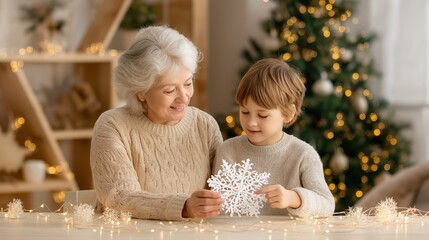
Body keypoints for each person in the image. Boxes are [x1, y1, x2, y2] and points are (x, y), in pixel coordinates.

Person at [90, 25, 223, 221]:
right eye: (170, 90)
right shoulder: (113, 125)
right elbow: (118, 198)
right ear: (141, 92)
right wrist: (184, 207)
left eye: (188, 83)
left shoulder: (204, 125)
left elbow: (225, 189)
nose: (184, 98)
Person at [213, 58, 335, 217]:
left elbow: (327, 205)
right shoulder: (227, 150)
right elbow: (220, 209)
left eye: (262, 115)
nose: (251, 122)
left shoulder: (303, 154)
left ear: (288, 114)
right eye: (245, 112)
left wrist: (295, 198)